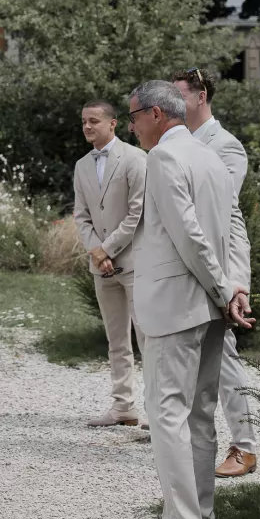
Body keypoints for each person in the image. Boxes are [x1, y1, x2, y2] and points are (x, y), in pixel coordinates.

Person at [123, 81, 253, 519]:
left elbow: (188, 235)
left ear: (156, 114)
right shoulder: (210, 156)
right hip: (212, 308)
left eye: (133, 116)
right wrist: (236, 287)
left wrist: (223, 290)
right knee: (199, 416)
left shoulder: (163, 157)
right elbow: (235, 229)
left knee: (169, 417)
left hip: (178, 306)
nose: (132, 126)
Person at [173, 69, 259, 480]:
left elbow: (223, 212)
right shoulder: (176, 142)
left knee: (223, 355)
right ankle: (186, 433)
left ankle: (245, 446)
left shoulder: (226, 146)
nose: (172, 104)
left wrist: (233, 280)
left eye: (179, 95)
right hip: (182, 265)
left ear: (201, 96)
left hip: (215, 267)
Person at [72, 100, 148, 428]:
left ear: (113, 123)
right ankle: (123, 406)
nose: (88, 127)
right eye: (84, 122)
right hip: (100, 266)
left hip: (134, 262)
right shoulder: (81, 165)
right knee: (116, 340)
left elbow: (137, 213)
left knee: (147, 338)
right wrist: (96, 253)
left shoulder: (136, 158)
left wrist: (108, 250)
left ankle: (157, 411)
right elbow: (81, 215)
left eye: (94, 121)